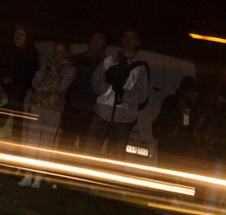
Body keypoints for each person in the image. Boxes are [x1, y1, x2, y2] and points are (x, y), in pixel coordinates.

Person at [21, 40, 75, 187]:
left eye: (61, 51)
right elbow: (35, 83)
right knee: (32, 141)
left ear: (67, 53)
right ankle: (28, 174)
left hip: (53, 109)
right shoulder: (46, 66)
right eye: (56, 50)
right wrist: (43, 67)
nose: (57, 54)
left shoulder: (69, 69)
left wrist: (54, 69)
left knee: (46, 143)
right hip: (37, 106)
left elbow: (61, 87)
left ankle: (38, 177)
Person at [88, 27, 149, 157]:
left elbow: (142, 95)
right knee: (90, 153)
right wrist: (107, 81)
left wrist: (123, 94)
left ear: (137, 43)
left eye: (132, 39)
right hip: (101, 114)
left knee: (116, 158)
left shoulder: (140, 68)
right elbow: (95, 84)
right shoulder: (109, 61)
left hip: (123, 119)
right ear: (122, 39)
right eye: (126, 37)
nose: (128, 41)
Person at [60, 32, 106, 149]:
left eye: (98, 40)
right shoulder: (77, 59)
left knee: (85, 149)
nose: (95, 43)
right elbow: (66, 82)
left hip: (92, 112)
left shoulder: (106, 63)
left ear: (104, 43)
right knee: (66, 146)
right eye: (93, 39)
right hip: (73, 109)